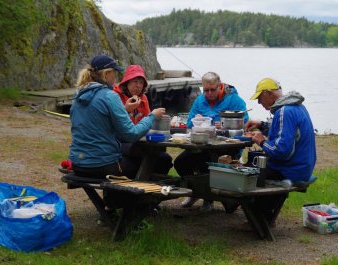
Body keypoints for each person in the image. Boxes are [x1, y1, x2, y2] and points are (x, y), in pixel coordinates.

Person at [69, 55, 166, 181]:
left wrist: (124, 110)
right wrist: (152, 116)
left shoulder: (78, 96)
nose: (116, 76)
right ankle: (137, 199)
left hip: (77, 164)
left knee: (134, 155)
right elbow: (131, 134)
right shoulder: (110, 96)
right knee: (154, 161)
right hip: (102, 165)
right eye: (115, 72)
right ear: (106, 74)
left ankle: (117, 199)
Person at [174, 71, 249, 211]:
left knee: (207, 163)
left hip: (227, 147)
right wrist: (196, 120)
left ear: (220, 86)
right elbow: (190, 123)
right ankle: (196, 192)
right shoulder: (200, 100)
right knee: (180, 163)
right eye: (206, 90)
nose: (208, 93)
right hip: (202, 144)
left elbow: (244, 120)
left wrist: (224, 125)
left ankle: (209, 198)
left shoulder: (234, 100)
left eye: (212, 90)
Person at [245, 78, 316, 183]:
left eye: (260, 98)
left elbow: (281, 151)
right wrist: (261, 125)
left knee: (244, 171)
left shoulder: (284, 111)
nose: (259, 102)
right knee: (254, 163)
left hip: (290, 170)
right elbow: (284, 131)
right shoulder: (297, 106)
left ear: (269, 93)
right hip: (303, 168)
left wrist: (262, 142)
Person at [113, 64, 173, 174]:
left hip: (138, 140)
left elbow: (147, 121)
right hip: (119, 142)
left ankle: (155, 185)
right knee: (142, 152)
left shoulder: (143, 98)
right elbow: (114, 125)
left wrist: (159, 121)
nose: (138, 85)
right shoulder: (116, 97)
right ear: (127, 82)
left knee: (164, 157)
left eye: (141, 82)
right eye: (135, 81)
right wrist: (126, 110)